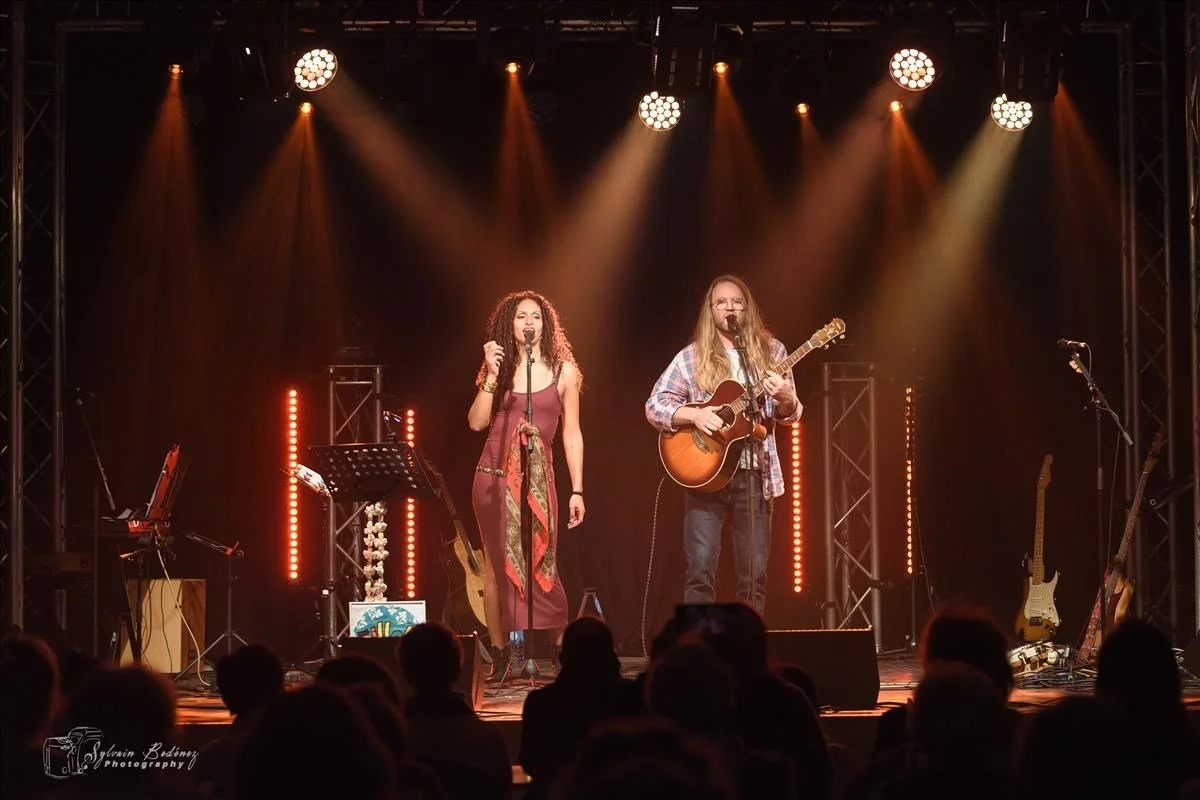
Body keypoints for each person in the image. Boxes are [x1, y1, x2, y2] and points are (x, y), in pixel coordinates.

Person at [645, 275, 801, 614]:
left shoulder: (773, 353)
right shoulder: (691, 357)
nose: (730, 308)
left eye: (737, 302)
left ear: (747, 309)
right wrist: (694, 416)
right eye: (722, 302)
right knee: (700, 569)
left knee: (754, 575)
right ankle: (698, 651)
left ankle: (748, 653)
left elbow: (788, 415)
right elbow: (654, 405)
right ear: (710, 310)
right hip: (705, 475)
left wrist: (787, 397)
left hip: (755, 475)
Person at [468, 290, 585, 662]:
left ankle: (561, 650)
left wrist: (577, 490)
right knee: (495, 569)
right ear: (509, 324)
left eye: (536, 316)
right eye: (521, 316)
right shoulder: (496, 369)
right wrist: (491, 373)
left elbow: (572, 433)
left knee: (542, 561)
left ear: (546, 324)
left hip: (538, 482)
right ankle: (502, 656)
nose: (529, 322)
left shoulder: (565, 370)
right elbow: (476, 422)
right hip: (493, 479)